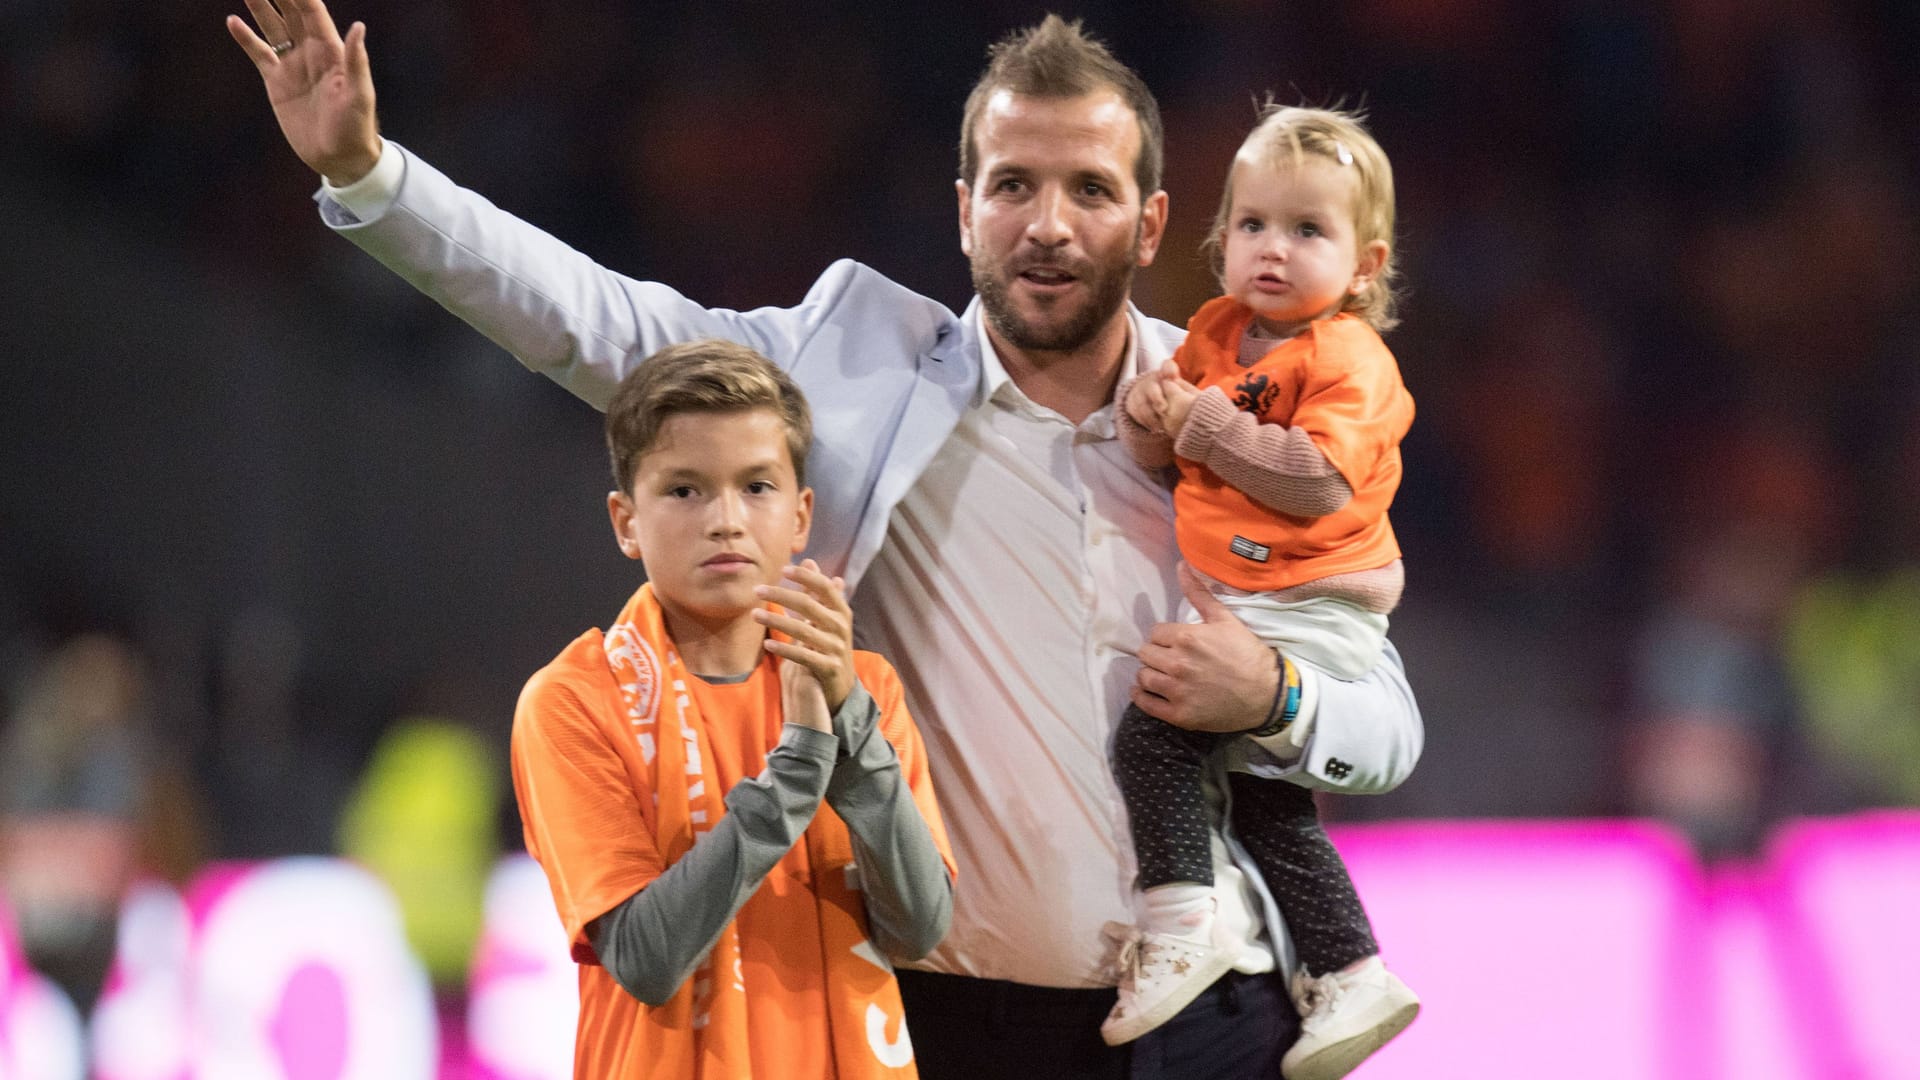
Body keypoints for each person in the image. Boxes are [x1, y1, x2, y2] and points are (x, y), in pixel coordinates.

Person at [229, 4, 1425, 1075]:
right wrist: (373, 178)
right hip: (952, 1024)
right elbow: (594, 323)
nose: (1047, 226)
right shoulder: (851, 373)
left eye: (1090, 192)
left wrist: (1275, 695)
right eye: (1012, 185)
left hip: (1217, 1024)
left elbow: (1387, 728)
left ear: (1153, 218)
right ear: (964, 211)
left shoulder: (1240, 417)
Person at [510, 339, 955, 1077]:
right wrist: (799, 768)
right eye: (685, 490)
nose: (726, 520)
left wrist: (847, 726)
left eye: (756, 486)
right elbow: (647, 958)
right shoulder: (574, 701)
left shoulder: (864, 685)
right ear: (626, 522)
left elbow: (918, 928)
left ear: (802, 514)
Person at [1101, 106, 1419, 1080]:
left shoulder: (1347, 358)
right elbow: (1177, 448)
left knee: (1154, 739)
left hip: (1310, 602)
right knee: (1266, 803)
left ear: (1364, 266)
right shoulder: (1218, 334)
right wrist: (1152, 419)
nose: (1272, 250)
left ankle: (1181, 920)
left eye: (1307, 230)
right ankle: (1352, 969)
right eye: (1251, 226)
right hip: (1254, 587)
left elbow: (1316, 480)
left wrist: (1192, 420)